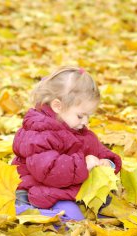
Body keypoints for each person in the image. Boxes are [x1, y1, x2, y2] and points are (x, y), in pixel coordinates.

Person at [11, 66, 122, 221]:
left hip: (64, 187)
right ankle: (28, 212)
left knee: (106, 201)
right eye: (81, 116)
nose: (86, 121)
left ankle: (49, 216)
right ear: (58, 106)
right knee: (73, 219)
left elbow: (95, 148)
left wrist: (107, 162)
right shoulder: (40, 133)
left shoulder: (75, 127)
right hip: (38, 188)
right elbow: (49, 171)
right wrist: (84, 164)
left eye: (88, 116)